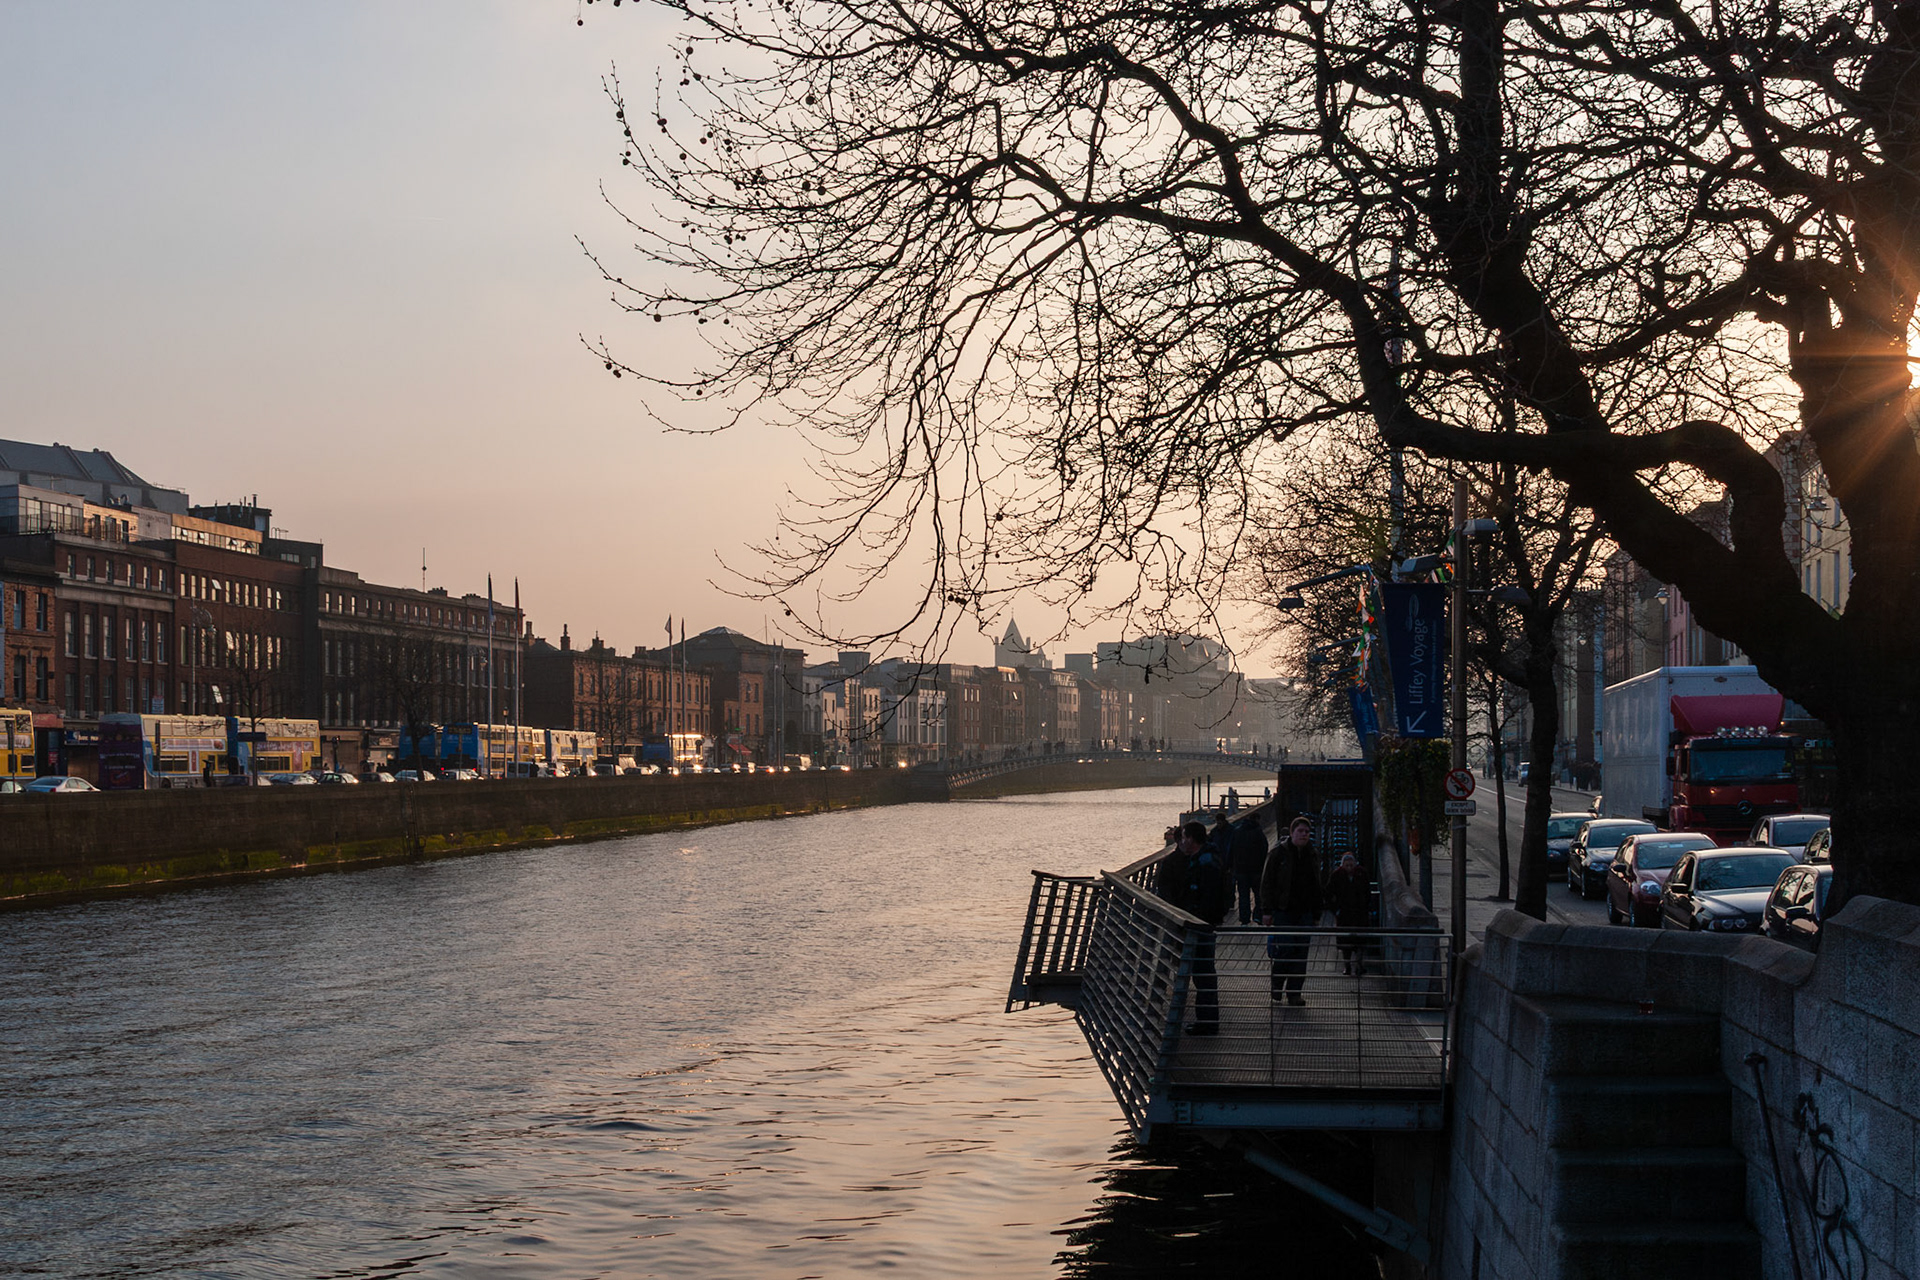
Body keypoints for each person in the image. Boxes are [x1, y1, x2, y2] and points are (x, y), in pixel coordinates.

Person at [1162, 819, 1229, 1034]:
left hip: (1200, 926)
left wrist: (1196, 917)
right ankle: (1206, 1021)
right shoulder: (1207, 857)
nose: (1182, 841)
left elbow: (1207, 895)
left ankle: (1207, 1023)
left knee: (1203, 973)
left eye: (1184, 837)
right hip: (1203, 923)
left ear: (1191, 839)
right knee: (1203, 973)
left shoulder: (1205, 862)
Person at [1260, 815, 1323, 1005]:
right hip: (1283, 910)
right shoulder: (1278, 853)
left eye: (1307, 832)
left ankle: (1294, 993)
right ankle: (1277, 986)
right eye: (1300, 831)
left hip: (1305, 912)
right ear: (1292, 832)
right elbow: (1267, 882)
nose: (1304, 835)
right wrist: (1267, 910)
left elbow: (1317, 884)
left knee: (1301, 954)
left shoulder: (1313, 854)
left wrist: (1317, 913)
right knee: (1285, 951)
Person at [1327, 852, 1372, 975]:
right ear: (1343, 865)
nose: (1349, 868)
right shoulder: (1336, 875)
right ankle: (1347, 966)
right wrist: (1336, 909)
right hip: (1344, 914)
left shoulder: (1362, 873)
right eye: (1347, 865)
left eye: (1351, 865)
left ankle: (1359, 965)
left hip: (1360, 913)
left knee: (1360, 942)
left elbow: (1367, 892)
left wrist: (1366, 907)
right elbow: (1328, 893)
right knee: (1345, 942)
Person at [1229, 815, 1269, 926]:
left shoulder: (1237, 831)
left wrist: (1232, 865)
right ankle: (1258, 917)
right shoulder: (1258, 832)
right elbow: (1264, 848)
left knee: (1243, 896)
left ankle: (1244, 919)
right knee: (1258, 895)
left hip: (1241, 870)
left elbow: (1231, 849)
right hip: (1256, 870)